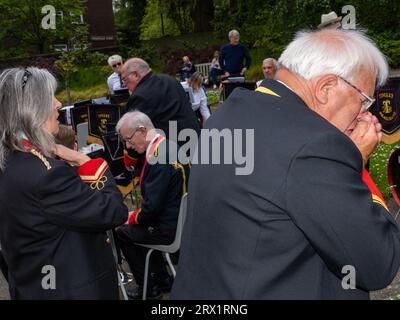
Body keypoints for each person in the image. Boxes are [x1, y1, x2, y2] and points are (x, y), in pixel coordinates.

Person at [171, 29, 400, 299]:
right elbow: (377, 262)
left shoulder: (230, 112)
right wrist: (354, 161)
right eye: (364, 100)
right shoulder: (315, 146)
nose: (365, 114)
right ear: (326, 88)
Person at [0, 67, 128, 299]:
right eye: (50, 97)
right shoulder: (47, 175)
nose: (58, 104)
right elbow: (113, 211)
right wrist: (86, 162)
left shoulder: (12, 161)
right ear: (31, 108)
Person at [115, 111, 189, 299]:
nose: (128, 146)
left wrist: (126, 217)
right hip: (181, 219)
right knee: (139, 226)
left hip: (169, 228)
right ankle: (162, 279)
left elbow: (150, 210)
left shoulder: (158, 158)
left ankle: (148, 289)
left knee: (122, 232)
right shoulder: (169, 145)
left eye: (128, 140)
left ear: (142, 130)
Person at [121, 58, 200, 171]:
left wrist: (131, 157)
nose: (124, 84)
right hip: (193, 140)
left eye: (124, 79)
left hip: (171, 156)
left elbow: (134, 132)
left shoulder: (139, 96)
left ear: (135, 75)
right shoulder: (170, 79)